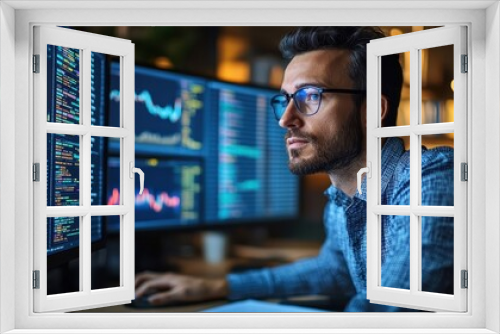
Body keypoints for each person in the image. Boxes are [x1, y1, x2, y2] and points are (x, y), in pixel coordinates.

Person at [135, 26, 454, 312]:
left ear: (373, 109)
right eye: (285, 99)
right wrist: (218, 286)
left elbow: (390, 309)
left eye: (310, 96)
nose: (285, 119)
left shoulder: (428, 181)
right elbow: (334, 271)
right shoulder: (343, 200)